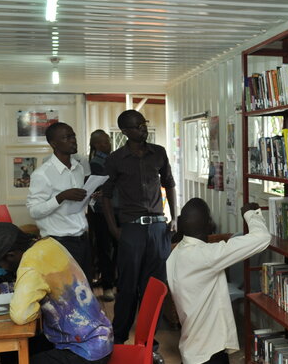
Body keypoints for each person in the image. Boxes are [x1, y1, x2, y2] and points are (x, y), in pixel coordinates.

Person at [0, 222, 113, 364]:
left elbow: (20, 315)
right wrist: (3, 289)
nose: (3, 270)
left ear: (11, 255)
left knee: (20, 356)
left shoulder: (30, 264)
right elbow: (44, 282)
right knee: (11, 352)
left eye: (1, 265)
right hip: (97, 337)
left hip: (85, 350)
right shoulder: (48, 244)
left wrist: (27, 300)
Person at [101, 109, 176, 350]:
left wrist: (173, 217)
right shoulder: (115, 159)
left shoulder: (159, 153)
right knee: (128, 287)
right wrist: (114, 229)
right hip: (131, 230)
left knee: (153, 287)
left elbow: (169, 184)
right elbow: (105, 195)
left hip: (157, 229)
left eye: (144, 124)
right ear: (125, 131)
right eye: (137, 126)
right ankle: (120, 338)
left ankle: (148, 339)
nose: (143, 129)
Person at [166, 199, 270, 364]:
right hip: (208, 355)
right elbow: (262, 238)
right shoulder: (205, 256)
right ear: (208, 224)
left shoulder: (176, 254)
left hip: (192, 348)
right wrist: (251, 214)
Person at [26, 122, 92, 278]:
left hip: (83, 239)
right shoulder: (42, 174)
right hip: (60, 243)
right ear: (53, 143)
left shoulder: (78, 168)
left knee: (85, 289)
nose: (73, 140)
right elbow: (34, 211)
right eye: (66, 137)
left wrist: (90, 196)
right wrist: (61, 197)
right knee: (66, 294)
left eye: (73, 136)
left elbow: (77, 203)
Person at [87, 129, 118, 301]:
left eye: (108, 141)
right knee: (105, 249)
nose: (108, 144)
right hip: (100, 212)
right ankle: (107, 286)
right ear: (96, 145)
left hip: (117, 210)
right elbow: (95, 189)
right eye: (104, 142)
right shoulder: (95, 164)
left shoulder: (114, 159)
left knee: (118, 248)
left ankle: (114, 282)